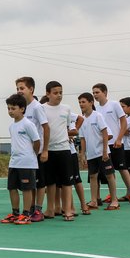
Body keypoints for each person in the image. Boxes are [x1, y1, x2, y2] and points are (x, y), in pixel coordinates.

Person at [92, 83, 130, 204]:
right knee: (109, 171)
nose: (95, 95)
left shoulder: (114, 104)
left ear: (105, 92)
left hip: (116, 143)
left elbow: (123, 122)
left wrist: (119, 139)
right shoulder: (96, 109)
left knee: (122, 168)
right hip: (104, 145)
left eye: (97, 92)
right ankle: (113, 196)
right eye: (94, 93)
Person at [0, 93, 40, 225]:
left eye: (13, 108)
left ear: (22, 109)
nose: (10, 111)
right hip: (14, 162)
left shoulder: (28, 124)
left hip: (27, 163)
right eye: (8, 108)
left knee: (27, 188)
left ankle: (26, 214)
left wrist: (32, 155)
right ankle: (15, 213)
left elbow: (37, 141)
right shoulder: (12, 126)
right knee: (12, 188)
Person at [15, 77, 50, 222]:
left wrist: (45, 150)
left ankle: (38, 210)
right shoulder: (22, 107)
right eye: (17, 88)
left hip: (38, 151)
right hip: (27, 153)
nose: (19, 91)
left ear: (31, 89)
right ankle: (30, 209)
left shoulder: (37, 107)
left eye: (22, 88)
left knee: (40, 182)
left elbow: (46, 128)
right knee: (31, 183)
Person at [78, 92, 120, 210]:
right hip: (91, 154)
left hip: (102, 152)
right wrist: (83, 155)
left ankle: (114, 200)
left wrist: (105, 151)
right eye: (80, 102)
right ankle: (94, 201)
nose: (81, 104)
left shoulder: (97, 116)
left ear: (91, 103)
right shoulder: (81, 120)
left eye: (83, 102)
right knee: (92, 176)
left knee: (109, 176)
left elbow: (106, 133)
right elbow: (82, 139)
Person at [41, 81, 75, 221]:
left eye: (61, 92)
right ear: (48, 94)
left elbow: (66, 127)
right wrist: (44, 150)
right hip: (48, 150)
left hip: (64, 149)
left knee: (66, 182)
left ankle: (67, 210)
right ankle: (50, 210)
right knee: (50, 182)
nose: (59, 95)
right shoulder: (41, 109)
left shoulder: (66, 109)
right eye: (55, 93)